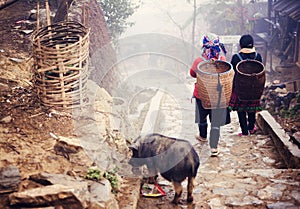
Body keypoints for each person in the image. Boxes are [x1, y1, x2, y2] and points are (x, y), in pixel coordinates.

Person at [189, 33, 229, 157]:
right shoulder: (221, 60)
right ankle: (214, 148)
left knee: (202, 117)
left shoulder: (199, 61)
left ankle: (202, 136)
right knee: (215, 122)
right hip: (217, 96)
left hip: (202, 95)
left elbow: (192, 74)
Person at [228, 34, 263, 136]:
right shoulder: (258, 56)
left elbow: (231, 71)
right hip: (254, 88)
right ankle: (251, 128)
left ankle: (244, 131)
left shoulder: (236, 58)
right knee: (251, 107)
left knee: (241, 109)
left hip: (240, 88)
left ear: (240, 45)